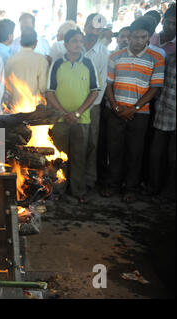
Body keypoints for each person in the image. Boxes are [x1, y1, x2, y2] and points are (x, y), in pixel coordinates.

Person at [102, 17, 165, 203]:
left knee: (135, 153)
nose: (139, 41)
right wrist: (114, 106)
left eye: (143, 37)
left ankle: (130, 189)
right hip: (116, 111)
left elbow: (155, 88)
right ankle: (113, 185)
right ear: (128, 37)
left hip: (140, 114)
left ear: (148, 37)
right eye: (135, 37)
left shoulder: (157, 58)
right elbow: (108, 84)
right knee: (114, 151)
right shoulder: (115, 56)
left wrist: (134, 108)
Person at [46, 29, 100, 203]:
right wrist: (63, 113)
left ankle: (77, 190)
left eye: (80, 41)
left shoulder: (89, 64)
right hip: (60, 120)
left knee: (79, 156)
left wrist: (77, 113)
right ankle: (57, 190)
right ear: (66, 44)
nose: (79, 44)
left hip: (81, 119)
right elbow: (50, 92)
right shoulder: (57, 64)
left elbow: (94, 92)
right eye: (75, 41)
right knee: (59, 157)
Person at [81, 13, 110, 191]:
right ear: (85, 27)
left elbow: (102, 84)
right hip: (70, 104)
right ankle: (65, 179)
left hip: (93, 106)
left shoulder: (103, 53)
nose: (94, 32)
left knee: (91, 143)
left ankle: (89, 180)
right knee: (70, 141)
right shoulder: (73, 46)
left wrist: (88, 106)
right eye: (92, 28)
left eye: (98, 29)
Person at [146, 53, 175, 201]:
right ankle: (154, 188)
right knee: (156, 155)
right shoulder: (169, 59)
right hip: (163, 116)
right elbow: (159, 85)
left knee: (173, 158)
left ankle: (169, 192)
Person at [5, 27, 49, 107]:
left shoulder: (11, 59)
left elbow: (7, 87)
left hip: (15, 107)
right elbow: (43, 87)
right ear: (36, 42)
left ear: (21, 43)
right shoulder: (41, 60)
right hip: (33, 106)